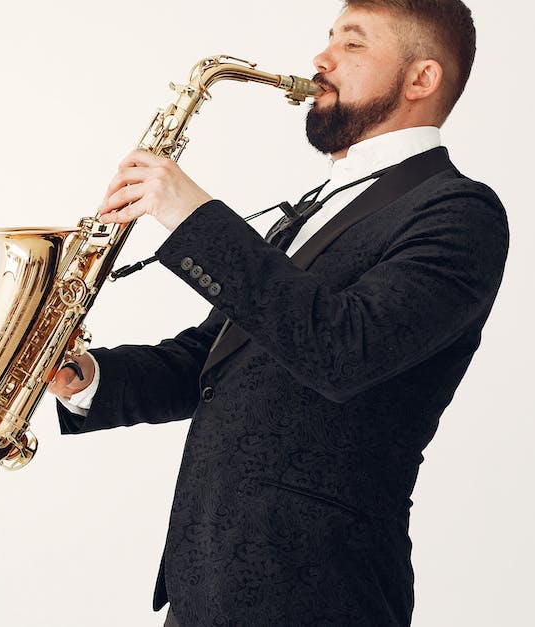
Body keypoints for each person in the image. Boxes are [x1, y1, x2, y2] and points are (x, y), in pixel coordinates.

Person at [49, 1, 507, 624]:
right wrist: (84, 377)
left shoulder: (459, 213)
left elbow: (345, 351)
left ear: (420, 79)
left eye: (352, 44)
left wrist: (195, 217)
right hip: (202, 587)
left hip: (319, 596)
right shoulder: (321, 204)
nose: (320, 59)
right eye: (328, 39)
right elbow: (211, 360)